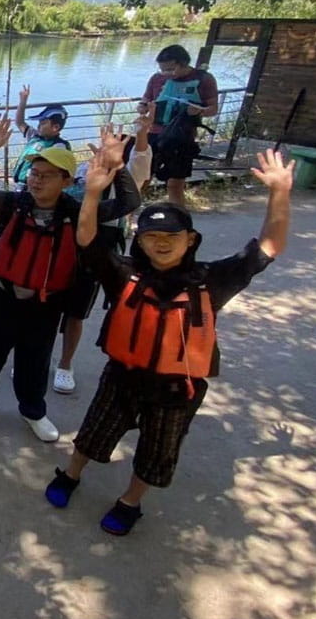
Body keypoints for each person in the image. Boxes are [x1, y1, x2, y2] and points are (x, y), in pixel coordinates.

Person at [44, 149, 292, 535]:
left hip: (178, 388)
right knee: (93, 432)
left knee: (158, 451)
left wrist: (279, 192)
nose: (160, 243)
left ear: (190, 239)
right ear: (139, 242)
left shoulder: (211, 280)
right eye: (150, 236)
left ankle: (129, 502)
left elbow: (267, 248)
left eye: (170, 236)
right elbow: (88, 242)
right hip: (122, 376)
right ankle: (71, 475)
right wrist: (92, 193)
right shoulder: (123, 274)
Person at [0, 117, 141, 442]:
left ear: (67, 181)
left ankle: (32, 410)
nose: (36, 182)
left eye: (46, 176)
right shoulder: (13, 204)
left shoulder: (78, 211)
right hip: (2, 295)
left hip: (47, 302)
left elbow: (129, 203)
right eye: (34, 174)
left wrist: (118, 167)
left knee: (35, 361)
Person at [53, 111, 154, 394]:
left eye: (116, 146)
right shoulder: (85, 171)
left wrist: (119, 163)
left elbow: (133, 195)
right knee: (48, 305)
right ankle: (37, 356)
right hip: (67, 242)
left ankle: (64, 364)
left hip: (99, 247)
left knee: (76, 312)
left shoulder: (128, 176)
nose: (107, 151)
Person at [139, 44, 219, 209]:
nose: (166, 74)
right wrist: (143, 106)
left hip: (182, 138)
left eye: (170, 69)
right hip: (154, 134)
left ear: (184, 64)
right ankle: (129, 218)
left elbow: (212, 108)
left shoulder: (204, 79)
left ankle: (179, 221)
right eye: (163, 69)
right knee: (142, 178)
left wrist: (199, 112)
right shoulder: (156, 79)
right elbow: (146, 98)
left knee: (175, 183)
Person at [12, 84, 71, 187]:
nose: (39, 126)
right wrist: (23, 100)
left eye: (43, 123)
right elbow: (20, 123)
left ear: (55, 127)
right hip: (20, 185)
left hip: (36, 187)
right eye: (39, 122)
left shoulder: (59, 146)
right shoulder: (35, 136)